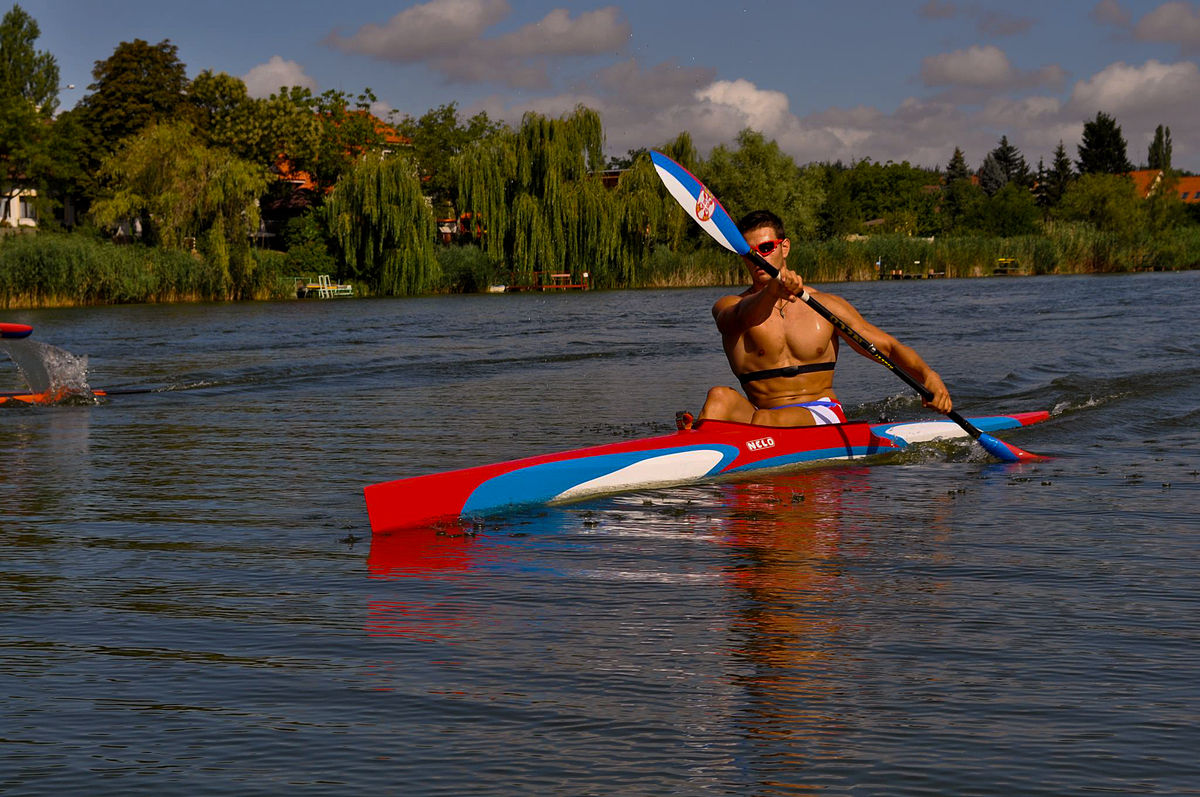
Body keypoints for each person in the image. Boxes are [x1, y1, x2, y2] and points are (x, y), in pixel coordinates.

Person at [679, 210, 951, 429]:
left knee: (772, 420)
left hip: (820, 414)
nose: (757, 258)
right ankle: (696, 448)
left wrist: (929, 375)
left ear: (784, 247)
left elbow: (887, 347)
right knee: (719, 396)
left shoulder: (827, 305)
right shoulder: (730, 306)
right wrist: (775, 289)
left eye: (765, 248)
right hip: (761, 414)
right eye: (749, 253)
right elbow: (740, 318)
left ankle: (714, 441)